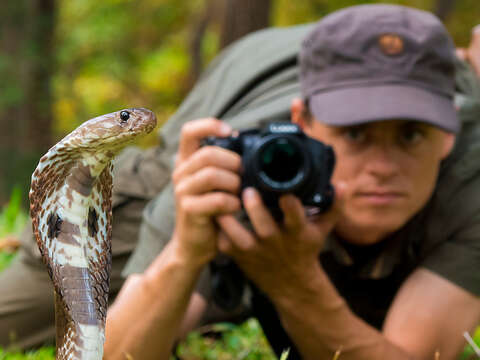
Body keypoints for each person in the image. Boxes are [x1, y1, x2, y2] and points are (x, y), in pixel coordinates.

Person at [0, 3, 479, 358]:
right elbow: (122, 352)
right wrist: (186, 253)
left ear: (449, 131)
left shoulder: (472, 163)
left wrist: (293, 283)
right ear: (303, 119)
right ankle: (216, 293)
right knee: (19, 316)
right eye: (356, 134)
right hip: (239, 91)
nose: (381, 164)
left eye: (411, 135)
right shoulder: (225, 155)